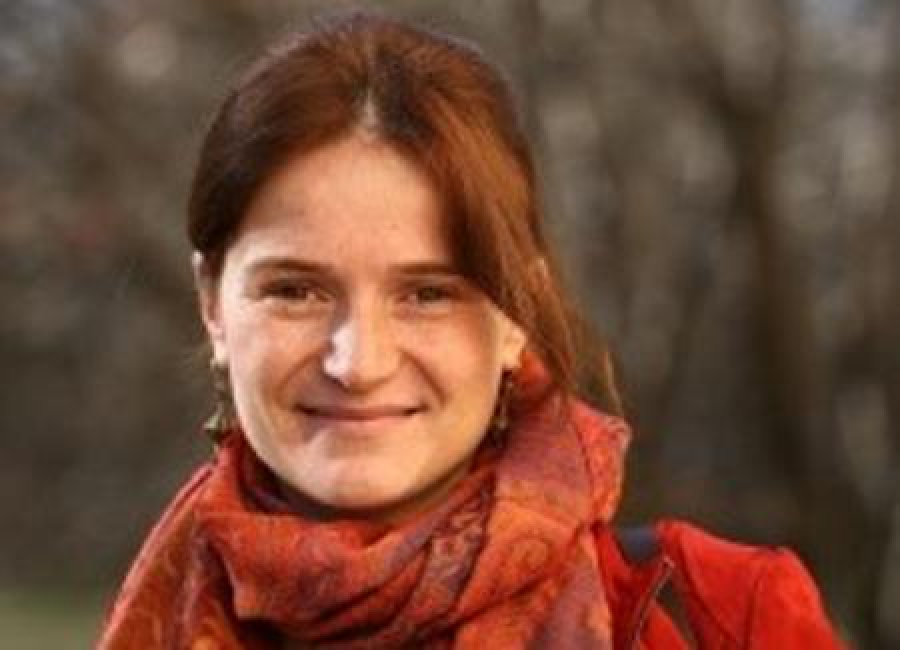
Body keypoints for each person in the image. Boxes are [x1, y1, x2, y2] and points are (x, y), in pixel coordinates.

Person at [98, 11, 844, 649]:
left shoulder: (725, 617)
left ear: (517, 313)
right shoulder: (160, 617)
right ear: (213, 304)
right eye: (295, 291)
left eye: (427, 294)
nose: (358, 362)